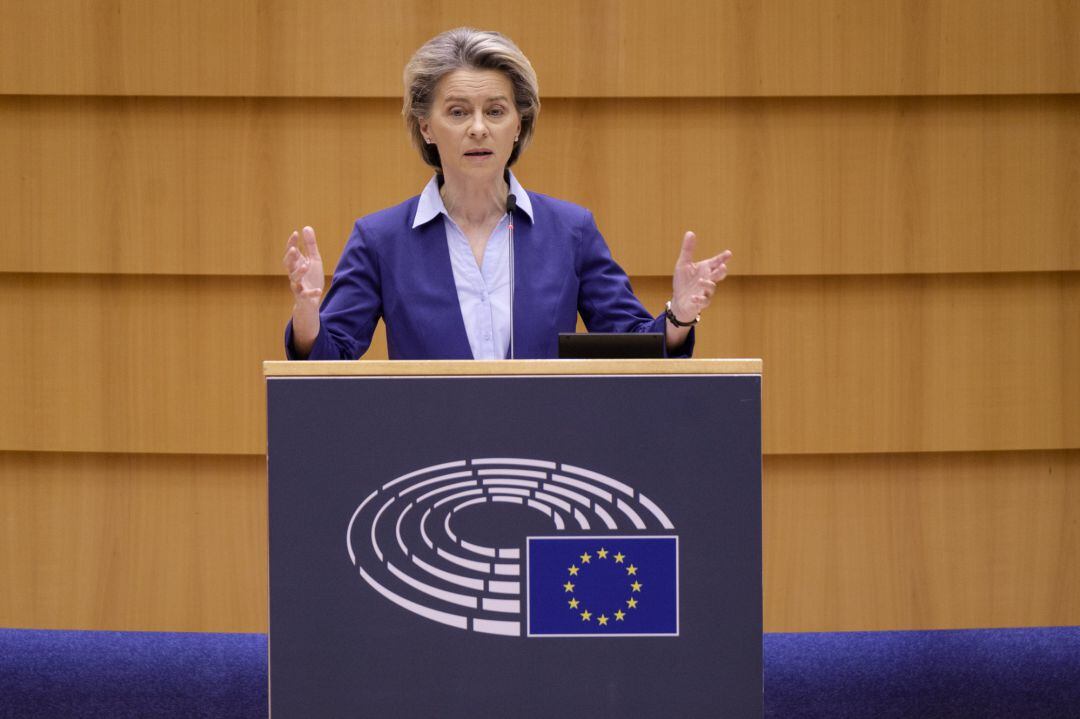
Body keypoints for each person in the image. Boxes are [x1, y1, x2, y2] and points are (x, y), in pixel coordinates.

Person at [283, 27, 730, 360]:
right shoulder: (380, 240)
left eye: (495, 111)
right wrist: (307, 315)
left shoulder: (571, 231)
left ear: (518, 125)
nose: (479, 127)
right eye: (458, 112)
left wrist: (679, 315)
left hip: (544, 458)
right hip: (433, 461)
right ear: (426, 127)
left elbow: (632, 349)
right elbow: (329, 361)